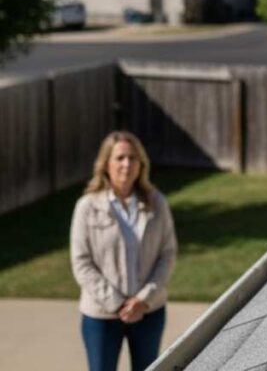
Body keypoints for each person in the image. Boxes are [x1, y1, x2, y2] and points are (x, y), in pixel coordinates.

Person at [71, 131, 177, 371]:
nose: (126, 164)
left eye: (133, 158)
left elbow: (167, 254)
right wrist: (118, 303)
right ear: (106, 163)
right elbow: (81, 263)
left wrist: (142, 300)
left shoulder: (157, 203)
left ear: (141, 164)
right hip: (101, 315)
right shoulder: (87, 207)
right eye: (119, 158)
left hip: (149, 312)